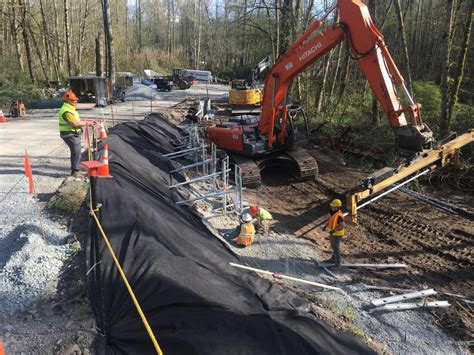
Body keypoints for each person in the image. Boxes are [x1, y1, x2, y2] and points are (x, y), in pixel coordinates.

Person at [59, 90, 95, 178]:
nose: (76, 102)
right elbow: (74, 123)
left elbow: (77, 122)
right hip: (69, 134)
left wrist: (86, 123)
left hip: (73, 133)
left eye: (76, 101)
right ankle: (75, 172)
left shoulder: (71, 109)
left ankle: (75, 171)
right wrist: (87, 123)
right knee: (76, 151)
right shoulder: (66, 111)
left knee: (76, 151)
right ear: (68, 101)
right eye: (74, 101)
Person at [322, 199, 346, 267]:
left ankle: (338, 263)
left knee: (336, 248)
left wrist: (334, 230)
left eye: (333, 206)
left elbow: (343, 225)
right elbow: (331, 221)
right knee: (334, 247)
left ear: (337, 207)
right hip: (333, 234)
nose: (332, 207)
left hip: (337, 235)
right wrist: (326, 226)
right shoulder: (334, 213)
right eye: (332, 206)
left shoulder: (339, 216)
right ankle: (333, 259)